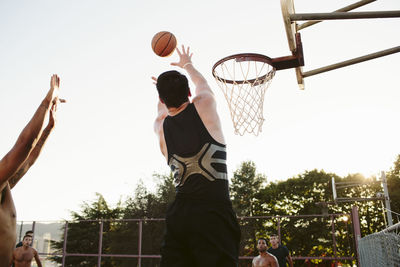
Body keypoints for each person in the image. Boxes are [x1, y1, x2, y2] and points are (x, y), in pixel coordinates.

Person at [153, 45, 241, 267]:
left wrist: (161, 89)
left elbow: (162, 110)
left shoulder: (160, 127)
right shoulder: (205, 106)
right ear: (189, 93)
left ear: (162, 100)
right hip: (214, 212)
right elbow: (203, 86)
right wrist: (187, 65)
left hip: (179, 216)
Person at [0, 74, 61, 267]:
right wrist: (48, 99)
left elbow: (28, 159)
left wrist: (49, 128)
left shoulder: (4, 186)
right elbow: (23, 145)